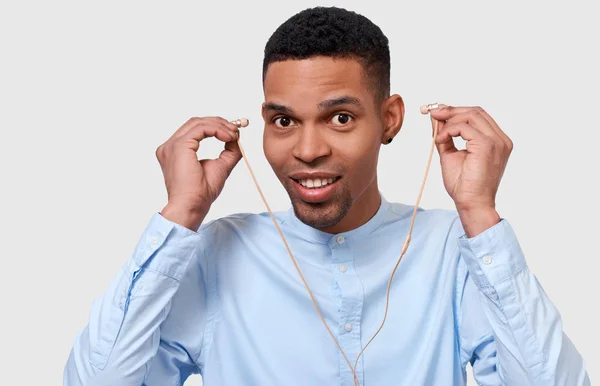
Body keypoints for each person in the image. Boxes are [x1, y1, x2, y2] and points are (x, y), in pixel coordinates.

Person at [63, 6, 590, 386]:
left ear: (390, 119)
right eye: (284, 121)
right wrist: (180, 215)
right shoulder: (215, 252)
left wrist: (480, 212)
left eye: (340, 118)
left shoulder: (452, 248)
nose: (307, 150)